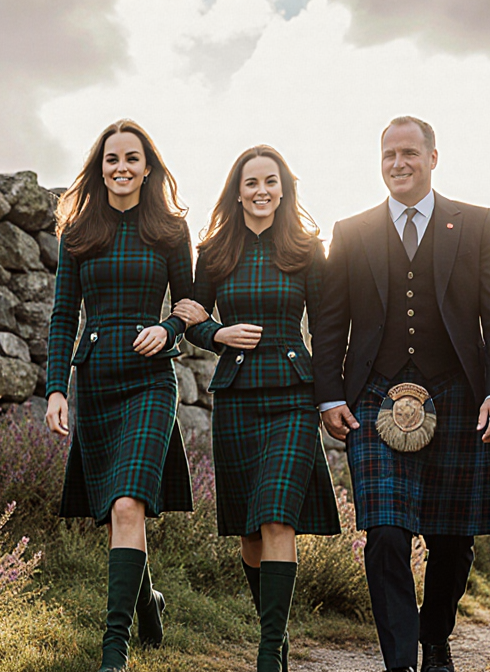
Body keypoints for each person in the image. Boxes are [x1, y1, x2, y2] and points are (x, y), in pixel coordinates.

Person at [311, 116, 490, 672]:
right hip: (375, 398)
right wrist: (330, 395)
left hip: (456, 395)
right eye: (387, 155)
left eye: (408, 152)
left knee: (453, 540)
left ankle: (436, 637)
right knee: (384, 534)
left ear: (432, 158)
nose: (397, 163)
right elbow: (331, 323)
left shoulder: (475, 224)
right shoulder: (351, 231)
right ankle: (400, 662)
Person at [173, 145, 339, 672]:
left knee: (275, 518)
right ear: (237, 189)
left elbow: (331, 326)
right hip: (239, 395)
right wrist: (218, 332)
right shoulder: (216, 249)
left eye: (271, 181)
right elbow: (190, 315)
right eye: (251, 183)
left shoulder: (308, 248)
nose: (261, 191)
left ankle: (269, 654)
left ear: (284, 188)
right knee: (248, 533)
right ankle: (278, 631)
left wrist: (331, 391)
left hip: (293, 393)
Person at [44, 119, 199, 672]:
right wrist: (56, 387)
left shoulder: (170, 229)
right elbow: (64, 316)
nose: (122, 168)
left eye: (132, 158)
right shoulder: (79, 232)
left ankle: (115, 652)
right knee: (115, 514)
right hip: (97, 382)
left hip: (152, 380)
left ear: (148, 167)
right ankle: (149, 603)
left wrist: (170, 330)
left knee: (128, 501)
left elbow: (191, 304)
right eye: (112, 159)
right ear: (99, 166)